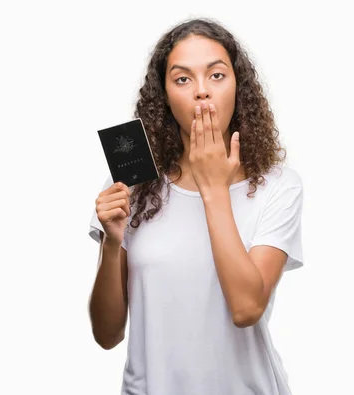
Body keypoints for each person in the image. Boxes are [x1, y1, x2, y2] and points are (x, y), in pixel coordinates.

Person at [88, 17, 304, 395]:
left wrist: (213, 188)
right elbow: (107, 335)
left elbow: (245, 309)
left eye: (217, 75)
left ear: (238, 86)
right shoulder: (133, 187)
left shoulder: (277, 186)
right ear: (165, 96)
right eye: (183, 78)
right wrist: (111, 243)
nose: (201, 91)